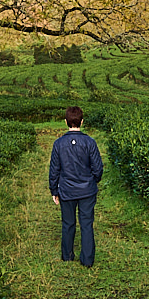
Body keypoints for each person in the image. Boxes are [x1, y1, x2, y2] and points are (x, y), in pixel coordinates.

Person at [49, 106, 103, 267]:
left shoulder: (58, 144)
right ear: (82, 121)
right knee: (86, 224)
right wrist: (93, 181)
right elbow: (98, 168)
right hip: (87, 190)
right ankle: (87, 260)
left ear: (66, 122)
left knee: (68, 223)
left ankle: (67, 256)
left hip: (66, 190)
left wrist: (54, 190)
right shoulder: (90, 142)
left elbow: (54, 170)